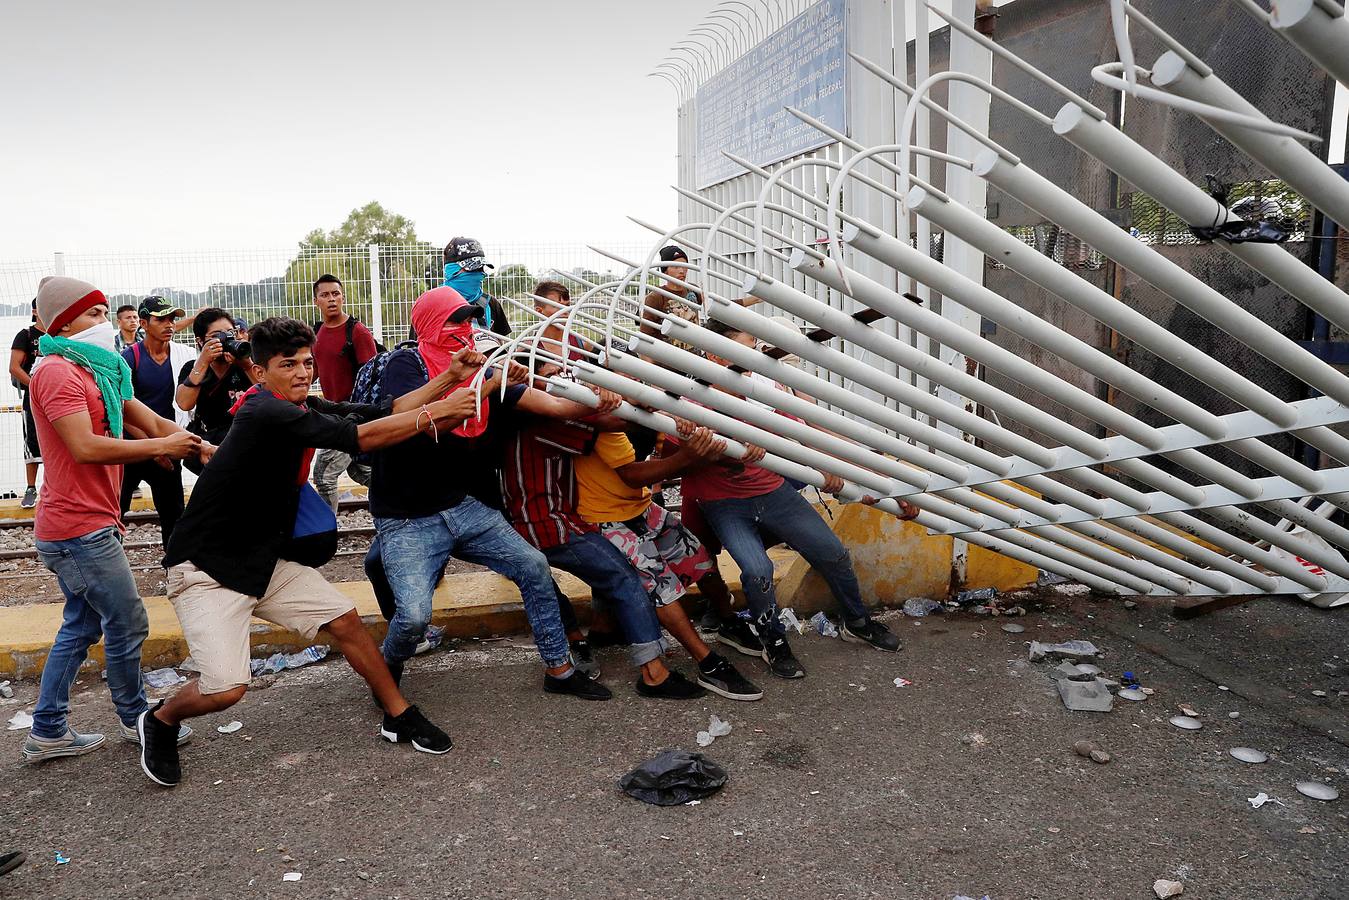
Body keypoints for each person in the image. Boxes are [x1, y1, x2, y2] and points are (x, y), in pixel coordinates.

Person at [146, 317, 477, 787]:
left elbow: (377, 412)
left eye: (307, 362)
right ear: (260, 373)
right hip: (207, 569)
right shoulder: (264, 411)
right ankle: (161, 718)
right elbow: (360, 440)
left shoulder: (299, 404)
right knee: (227, 690)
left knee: (345, 621)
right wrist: (441, 414)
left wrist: (448, 378)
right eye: (288, 365)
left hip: (263, 560)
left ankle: (398, 714)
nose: (304, 372)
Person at [368, 287, 618, 700]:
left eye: (468, 321)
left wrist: (600, 398)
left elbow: (552, 406)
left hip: (460, 505)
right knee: (413, 617)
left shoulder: (482, 366)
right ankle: (388, 664)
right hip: (407, 516)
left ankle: (559, 669)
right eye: (453, 321)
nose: (463, 330)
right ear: (428, 323)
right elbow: (420, 419)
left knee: (533, 567)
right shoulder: (407, 362)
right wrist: (483, 382)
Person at [21, 276, 205, 765]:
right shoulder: (57, 372)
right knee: (128, 621)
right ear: (62, 323)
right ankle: (139, 717)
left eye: (104, 312)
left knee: (81, 626)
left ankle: (47, 730)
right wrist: (160, 447)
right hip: (77, 529)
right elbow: (84, 447)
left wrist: (205, 448)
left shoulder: (100, 369)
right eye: (92, 315)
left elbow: (147, 417)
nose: (104, 323)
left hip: (90, 523)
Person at [671, 321, 915, 679]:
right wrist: (730, 446)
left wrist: (882, 483)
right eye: (743, 348)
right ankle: (774, 643)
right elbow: (680, 449)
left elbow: (813, 435)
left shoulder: (765, 393)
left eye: (754, 346)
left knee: (833, 554)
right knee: (757, 572)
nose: (753, 356)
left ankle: (857, 622)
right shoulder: (692, 401)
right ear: (712, 354)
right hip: (723, 503)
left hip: (771, 492)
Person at [499, 363, 707, 700]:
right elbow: (607, 423)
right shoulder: (542, 421)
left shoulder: (519, 414)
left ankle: (592, 636)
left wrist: (634, 400)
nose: (562, 380)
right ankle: (653, 673)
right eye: (551, 373)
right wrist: (640, 404)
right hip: (547, 524)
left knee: (557, 583)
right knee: (625, 577)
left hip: (536, 521)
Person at [574, 422, 764, 701]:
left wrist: (732, 450)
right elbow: (633, 475)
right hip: (604, 518)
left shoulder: (653, 409)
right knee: (662, 588)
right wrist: (690, 457)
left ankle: (728, 621)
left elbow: (673, 453)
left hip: (639, 507)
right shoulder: (604, 416)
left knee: (702, 561)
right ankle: (707, 663)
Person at [119, 296, 194, 548]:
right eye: (161, 319)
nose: (169, 324)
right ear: (143, 323)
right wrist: (154, 447)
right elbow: (123, 409)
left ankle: (174, 569)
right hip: (132, 447)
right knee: (114, 512)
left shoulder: (182, 356)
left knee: (173, 514)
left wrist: (166, 446)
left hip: (168, 445)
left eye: (172, 319)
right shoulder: (130, 358)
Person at [311, 274, 379, 511]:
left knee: (324, 477)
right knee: (362, 472)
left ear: (343, 297)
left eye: (336, 294)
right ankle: (403, 507)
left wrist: (360, 415)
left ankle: (324, 534)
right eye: (325, 295)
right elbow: (314, 372)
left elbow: (372, 377)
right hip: (332, 415)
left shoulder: (357, 332)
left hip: (350, 418)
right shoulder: (317, 333)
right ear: (315, 301)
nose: (331, 299)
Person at [175, 306, 253, 451]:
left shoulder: (246, 363)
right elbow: (184, 404)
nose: (226, 339)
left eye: (230, 333)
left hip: (247, 441)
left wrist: (246, 365)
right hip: (210, 446)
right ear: (200, 341)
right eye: (217, 336)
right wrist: (203, 363)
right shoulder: (192, 367)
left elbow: (269, 390)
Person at [9, 299, 45, 508]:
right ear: (35, 311)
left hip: (58, 396)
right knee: (32, 441)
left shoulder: (59, 334)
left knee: (62, 440)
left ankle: (57, 486)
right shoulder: (26, 335)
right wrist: (36, 385)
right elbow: (14, 367)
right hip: (33, 397)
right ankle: (31, 488)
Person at [443, 237, 511, 338]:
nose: (479, 274)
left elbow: (502, 346)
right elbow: (418, 349)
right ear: (451, 270)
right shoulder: (431, 304)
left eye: (481, 268)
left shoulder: (491, 304)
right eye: (472, 269)